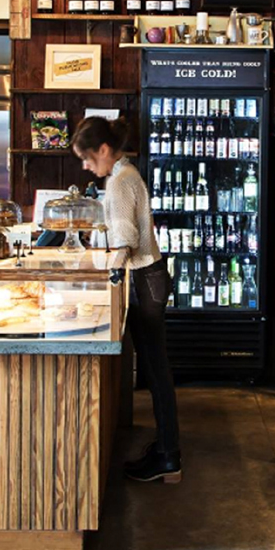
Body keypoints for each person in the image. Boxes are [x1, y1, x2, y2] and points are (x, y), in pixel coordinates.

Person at [73, 116, 181, 483]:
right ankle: (165, 447)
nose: (86, 167)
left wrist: (107, 272)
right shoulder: (127, 172)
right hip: (152, 277)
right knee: (156, 368)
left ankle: (169, 456)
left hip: (141, 280)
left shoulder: (119, 181)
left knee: (155, 371)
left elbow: (125, 240)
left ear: (103, 150)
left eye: (88, 159)